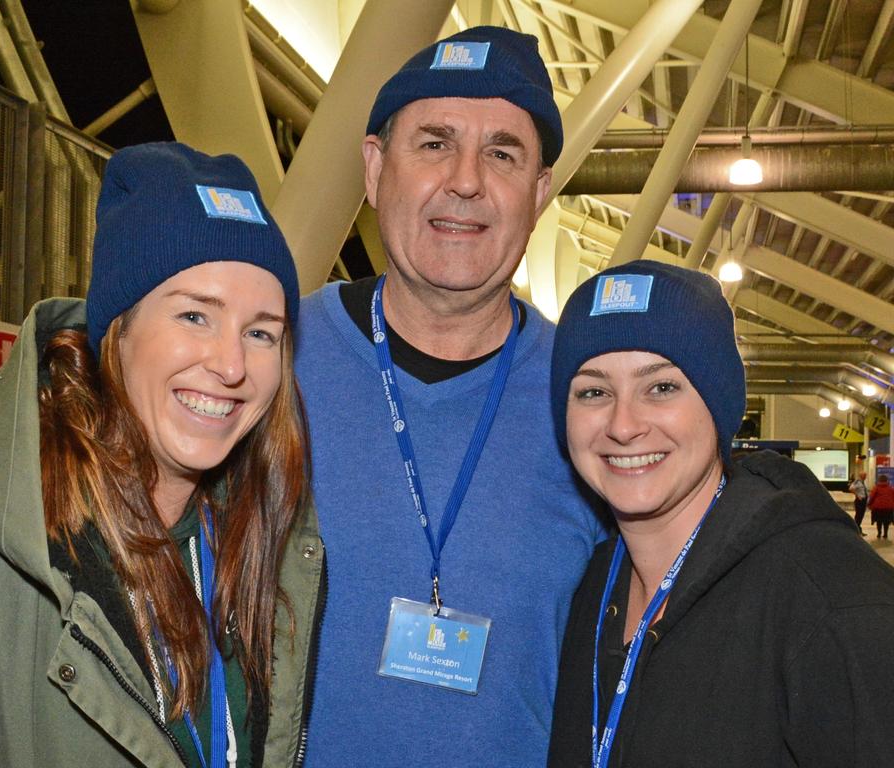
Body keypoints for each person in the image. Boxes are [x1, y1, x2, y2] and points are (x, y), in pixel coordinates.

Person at [0, 143, 323, 768]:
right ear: (119, 329)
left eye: (261, 332)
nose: (231, 364)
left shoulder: (256, 536)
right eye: (195, 315)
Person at [294, 26, 604, 768]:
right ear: (374, 168)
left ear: (538, 192)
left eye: (502, 153)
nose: (466, 180)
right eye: (434, 143)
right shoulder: (270, 360)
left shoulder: (594, 396)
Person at [546, 261, 894, 767]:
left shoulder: (832, 602)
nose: (623, 425)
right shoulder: (593, 585)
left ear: (719, 404)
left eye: (661, 387)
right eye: (593, 392)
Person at [869, 474, 894, 539]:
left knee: (879, 521)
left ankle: (879, 533)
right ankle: (885, 533)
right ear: (887, 480)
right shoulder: (890, 488)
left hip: (878, 508)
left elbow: (872, 497)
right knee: (886, 521)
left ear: (879, 480)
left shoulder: (876, 488)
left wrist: (869, 504)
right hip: (888, 508)